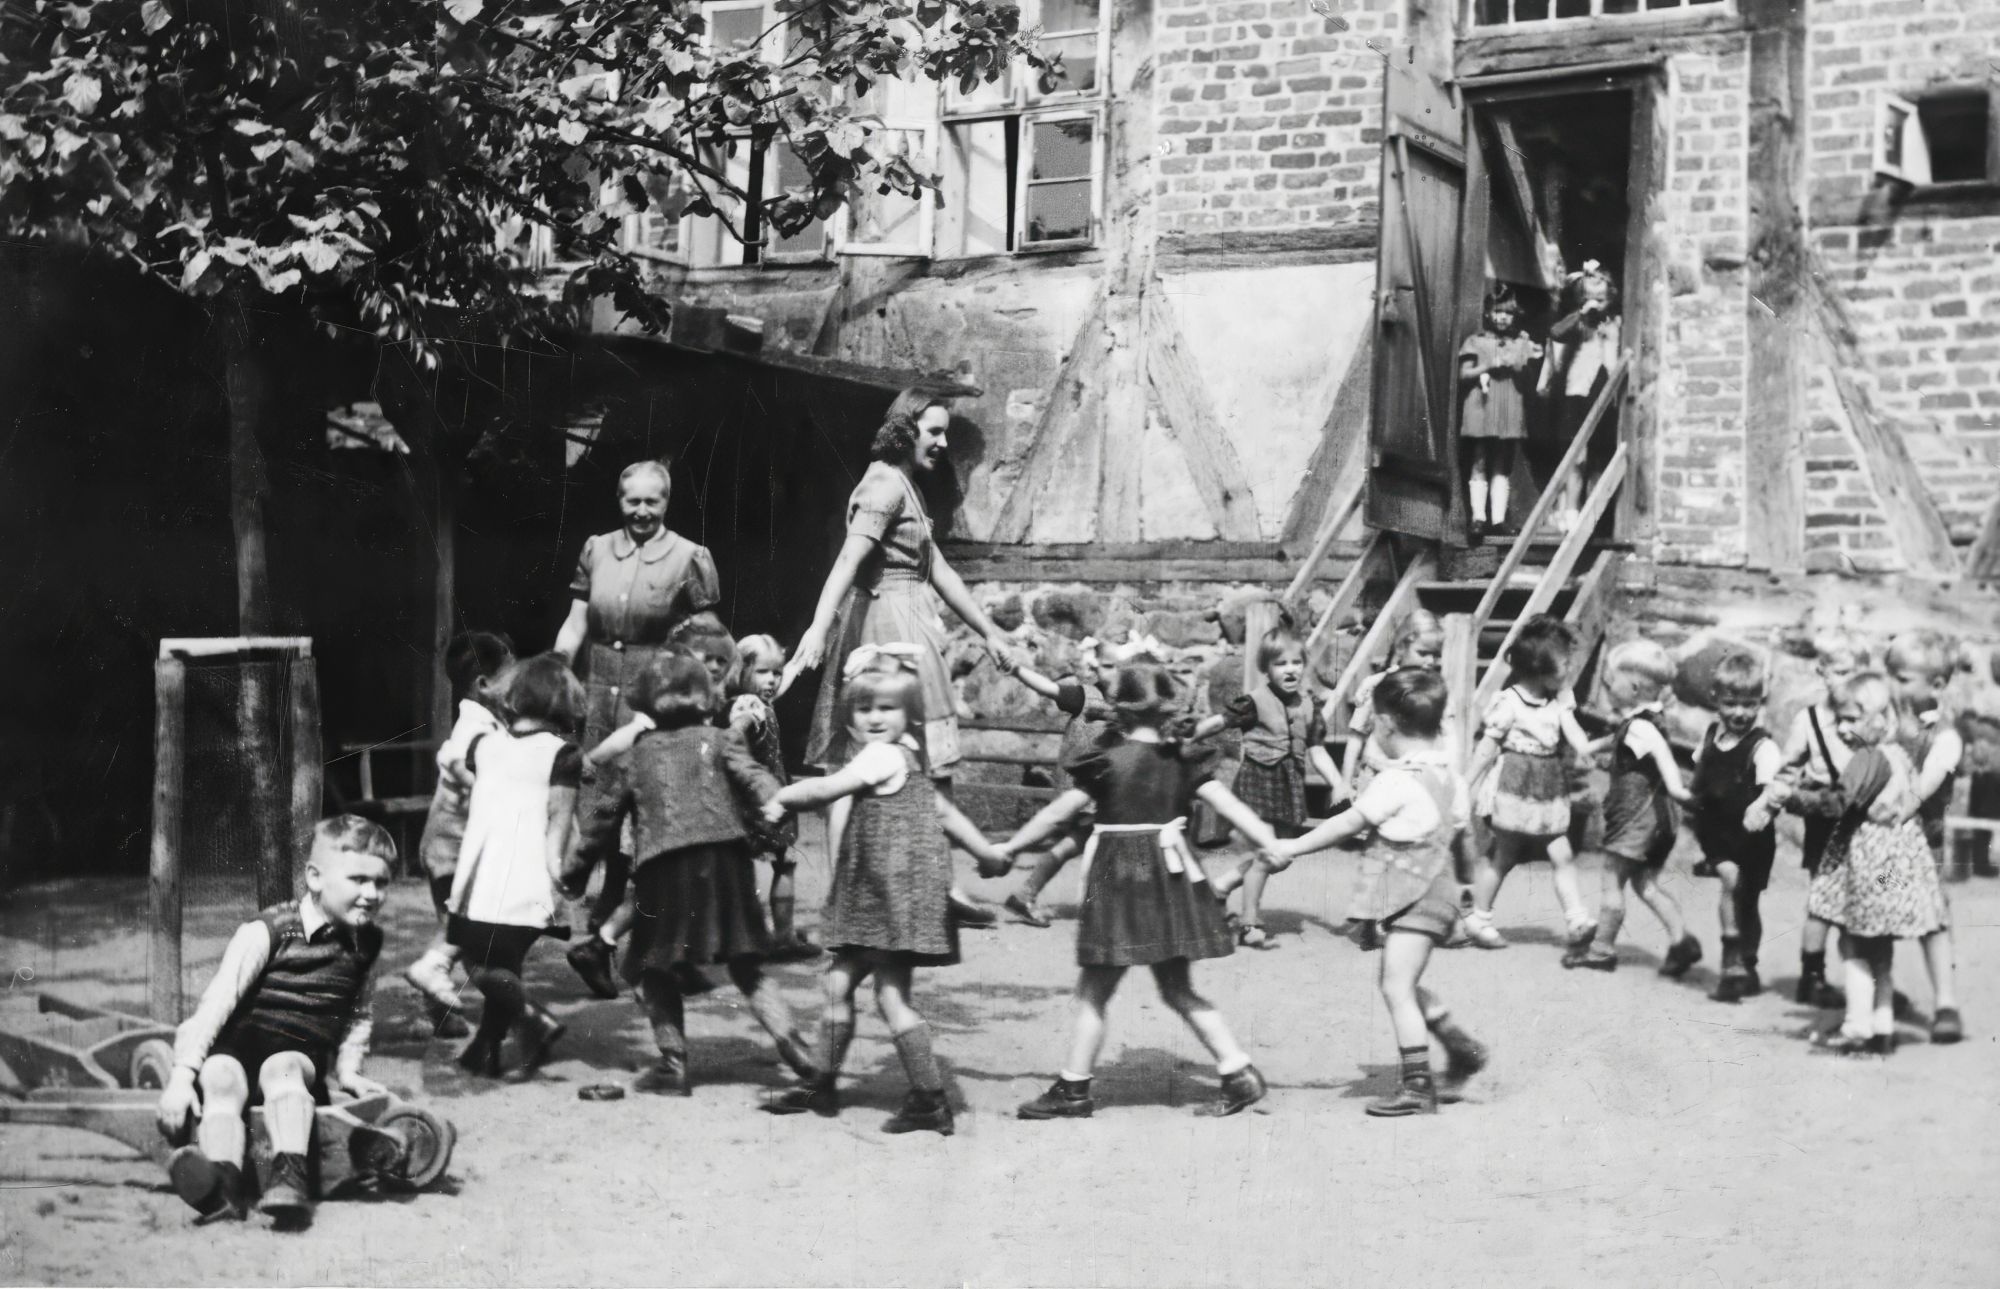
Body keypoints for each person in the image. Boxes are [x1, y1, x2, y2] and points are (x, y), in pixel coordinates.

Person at [1001, 659, 1288, 1120]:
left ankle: (1074, 1088)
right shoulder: (1182, 759)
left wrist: (1009, 848)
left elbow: (1057, 814)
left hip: (1122, 882)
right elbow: (1228, 804)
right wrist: (1268, 842)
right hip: (1170, 882)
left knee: (1093, 991)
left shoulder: (1108, 760)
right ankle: (1239, 1073)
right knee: (1177, 988)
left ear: (1118, 708)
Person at [779, 386, 1017, 926]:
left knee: (927, 763)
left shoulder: (907, 484)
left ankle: (937, 885)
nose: (943, 443)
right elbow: (848, 560)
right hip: (887, 627)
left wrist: (988, 632)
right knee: (863, 763)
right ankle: (844, 895)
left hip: (912, 620)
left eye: (945, 432)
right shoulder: (884, 484)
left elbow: (938, 569)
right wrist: (817, 629)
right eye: (934, 431)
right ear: (905, 430)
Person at [761, 651, 1012, 1134]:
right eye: (864, 709)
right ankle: (823, 1082)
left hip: (887, 901)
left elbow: (829, 789)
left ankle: (929, 1098)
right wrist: (987, 853)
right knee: (839, 985)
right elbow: (944, 813)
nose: (875, 718)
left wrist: (783, 796)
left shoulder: (879, 757)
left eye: (887, 708)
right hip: (883, 900)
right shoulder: (910, 754)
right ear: (849, 719)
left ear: (908, 715)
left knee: (891, 995)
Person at [571, 652, 818, 1096]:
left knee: (652, 967)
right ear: (707, 698)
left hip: (663, 866)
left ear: (645, 704)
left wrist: (576, 869)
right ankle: (796, 1048)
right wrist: (777, 801)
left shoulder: (636, 756)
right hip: (728, 861)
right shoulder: (721, 740)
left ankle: (673, 1064)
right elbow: (754, 775)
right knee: (746, 964)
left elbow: (604, 817)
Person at [1254, 669, 1488, 1116]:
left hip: (1413, 897)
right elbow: (1464, 839)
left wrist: (1292, 847)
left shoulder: (1395, 781)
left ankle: (1417, 1086)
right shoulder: (1452, 780)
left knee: (1396, 987)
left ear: (1383, 724)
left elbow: (1347, 823)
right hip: (1437, 893)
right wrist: (1467, 898)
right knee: (1402, 982)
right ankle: (1460, 1048)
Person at [155, 816, 398, 1225]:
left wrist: (349, 1070)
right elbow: (217, 1003)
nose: (371, 894)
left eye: (381, 883)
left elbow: (359, 1011)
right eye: (358, 880)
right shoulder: (268, 930)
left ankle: (289, 1179)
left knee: (282, 1067)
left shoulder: (367, 943)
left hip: (297, 1056)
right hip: (240, 1044)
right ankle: (220, 1184)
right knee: (219, 1076)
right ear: (315, 878)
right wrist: (181, 1077)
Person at [554, 459, 722, 956]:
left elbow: (706, 635)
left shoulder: (689, 556)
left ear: (667, 502)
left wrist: (701, 693)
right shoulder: (597, 549)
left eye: (653, 501)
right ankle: (596, 901)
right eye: (634, 501)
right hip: (598, 687)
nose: (643, 511)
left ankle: (618, 908)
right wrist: (555, 674)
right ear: (619, 500)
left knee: (642, 802)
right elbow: (576, 622)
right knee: (596, 796)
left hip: (654, 694)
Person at [446, 653, 583, 1082]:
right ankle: (487, 1048)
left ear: (513, 696)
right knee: (505, 962)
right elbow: (560, 820)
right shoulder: (562, 754)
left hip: (483, 877)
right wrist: (558, 873)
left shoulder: (484, 746)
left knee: (474, 958)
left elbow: (461, 772)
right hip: (529, 877)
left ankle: (530, 1017)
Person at [1800, 674, 1949, 1056]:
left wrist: (1792, 797)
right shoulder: (1898, 754)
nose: (1842, 728)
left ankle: (1857, 1028)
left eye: (1851, 719)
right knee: (1879, 949)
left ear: (1880, 718)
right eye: (1839, 720)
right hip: (1894, 866)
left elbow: (1837, 803)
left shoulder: (1868, 758)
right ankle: (1881, 1027)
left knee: (1853, 943)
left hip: (1870, 864)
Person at [1191, 625, 1345, 948]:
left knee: (1282, 855)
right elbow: (1221, 721)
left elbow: (1317, 750)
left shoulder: (1309, 704)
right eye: (1280, 663)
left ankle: (1221, 887)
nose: (1290, 669)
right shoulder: (1254, 702)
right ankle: (1249, 923)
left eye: (1296, 662)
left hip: (1288, 785)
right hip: (1258, 781)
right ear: (1266, 668)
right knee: (1266, 853)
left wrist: (1338, 782)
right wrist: (1188, 736)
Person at [1463, 616, 1598, 952]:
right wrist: (1466, 784)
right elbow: (1487, 748)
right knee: (1504, 855)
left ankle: (1577, 919)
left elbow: (1573, 730)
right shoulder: (1509, 703)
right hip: (1515, 782)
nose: (1569, 668)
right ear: (1540, 667)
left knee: (1561, 852)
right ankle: (1479, 918)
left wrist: (1590, 748)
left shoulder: (1559, 699)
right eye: (1564, 662)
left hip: (1548, 783)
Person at [1743, 631, 1864, 1006]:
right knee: (1824, 896)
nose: (1846, 681)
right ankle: (1812, 976)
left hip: (1865, 818)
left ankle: (1867, 982)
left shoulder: (1872, 716)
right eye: (1838, 672)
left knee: (1869, 892)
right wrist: (1767, 805)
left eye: (1854, 672)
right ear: (1822, 672)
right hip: (1826, 819)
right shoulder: (1809, 720)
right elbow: (1787, 772)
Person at [404, 631, 515, 1038]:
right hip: (454, 849)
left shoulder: (488, 721)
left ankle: (440, 1012)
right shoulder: (475, 726)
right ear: (484, 684)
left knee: (456, 932)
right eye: (511, 679)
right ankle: (433, 973)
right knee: (463, 931)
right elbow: (452, 758)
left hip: (449, 847)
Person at [1567, 639, 1700, 974]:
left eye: (1612, 682)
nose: (1608, 688)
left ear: (1635, 688)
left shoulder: (1641, 727)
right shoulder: (1645, 721)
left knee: (1612, 881)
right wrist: (1589, 747)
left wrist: (1678, 789)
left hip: (1637, 820)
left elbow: (1662, 757)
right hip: (1659, 821)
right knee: (1646, 884)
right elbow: (1616, 743)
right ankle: (1681, 940)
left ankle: (1601, 950)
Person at [1337, 611, 1445, 947]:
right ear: (1401, 647)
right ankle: (1370, 918)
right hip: (1379, 778)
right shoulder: (1377, 686)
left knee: (1410, 851)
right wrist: (1344, 780)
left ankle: (1396, 914)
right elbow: (1356, 735)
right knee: (1378, 852)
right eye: (1423, 653)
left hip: (1414, 781)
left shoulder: (1433, 690)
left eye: (1436, 655)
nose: (1430, 662)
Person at [999, 635, 1123, 928]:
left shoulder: (1135, 705)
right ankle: (1103, 909)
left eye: (1124, 667)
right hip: (1083, 790)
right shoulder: (1085, 696)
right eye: (1108, 666)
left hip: (1111, 790)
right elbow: (1048, 687)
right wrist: (1017, 669)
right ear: (1095, 666)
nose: (1116, 673)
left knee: (1075, 843)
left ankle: (1026, 892)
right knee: (1097, 842)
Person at [1884, 631, 1966, 1043]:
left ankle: (1945, 1003)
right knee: (1878, 913)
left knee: (1932, 919)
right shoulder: (1884, 723)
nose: (1892, 686)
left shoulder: (1945, 737)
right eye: (1891, 676)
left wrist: (1896, 807)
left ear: (1936, 685)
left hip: (1922, 847)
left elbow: (1921, 789)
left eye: (1902, 679)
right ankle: (1883, 993)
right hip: (1882, 847)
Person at [1686, 652, 1780, 1003]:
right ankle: (1730, 961)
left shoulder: (1762, 747)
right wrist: (1690, 799)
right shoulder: (1711, 736)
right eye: (1731, 703)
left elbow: (1773, 791)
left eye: (1749, 704)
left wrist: (1763, 806)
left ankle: (1747, 964)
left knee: (1748, 902)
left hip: (1752, 838)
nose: (1740, 713)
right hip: (1717, 833)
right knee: (1730, 880)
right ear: (1715, 700)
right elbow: (1699, 776)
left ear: (1760, 702)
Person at [728, 633, 818, 958]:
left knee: (750, 866)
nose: (772, 680)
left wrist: (797, 661)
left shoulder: (758, 700)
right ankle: (782, 937)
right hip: (764, 799)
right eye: (763, 672)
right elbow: (736, 732)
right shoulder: (750, 707)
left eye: (775, 673)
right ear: (742, 671)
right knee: (784, 863)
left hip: (753, 799)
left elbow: (786, 677)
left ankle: (747, 937)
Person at [1536, 261, 1622, 532]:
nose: (1595, 304)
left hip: (1605, 392)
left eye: (1600, 299)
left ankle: (1593, 516)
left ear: (1610, 298)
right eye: (1588, 299)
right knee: (1577, 456)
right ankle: (1571, 512)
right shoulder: (1578, 322)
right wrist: (1581, 314)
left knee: (1599, 455)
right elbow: (1555, 333)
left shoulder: (1615, 323)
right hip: (1577, 393)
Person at [1459, 286, 1543, 534]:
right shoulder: (1476, 341)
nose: (1503, 317)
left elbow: (1530, 380)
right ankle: (1478, 518)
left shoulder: (1520, 344)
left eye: (1508, 313)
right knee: (1479, 459)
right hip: (1482, 405)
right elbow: (1463, 374)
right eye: (1498, 312)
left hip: (1509, 404)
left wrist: (1523, 362)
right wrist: (1489, 365)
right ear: (1488, 313)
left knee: (1502, 462)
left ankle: (1498, 520)